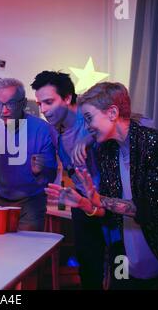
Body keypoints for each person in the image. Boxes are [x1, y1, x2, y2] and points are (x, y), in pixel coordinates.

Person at [47, 82, 158, 290]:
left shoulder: (156, 143)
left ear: (113, 112)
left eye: (89, 118)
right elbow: (107, 211)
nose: (87, 127)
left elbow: (152, 209)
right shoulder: (106, 152)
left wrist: (100, 200)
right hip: (127, 251)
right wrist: (84, 203)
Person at [31, 71, 106, 289]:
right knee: (88, 266)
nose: (43, 110)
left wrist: (90, 136)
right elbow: (66, 167)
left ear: (67, 98)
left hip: (109, 198)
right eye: (40, 103)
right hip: (82, 199)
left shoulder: (90, 116)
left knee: (121, 265)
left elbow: (124, 124)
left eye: (48, 102)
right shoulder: (55, 130)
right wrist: (42, 167)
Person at [0, 78, 57, 231]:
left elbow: (50, 178)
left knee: (27, 252)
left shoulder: (43, 129)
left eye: (10, 104)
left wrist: (40, 171)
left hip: (31, 204)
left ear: (23, 103)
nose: (3, 110)